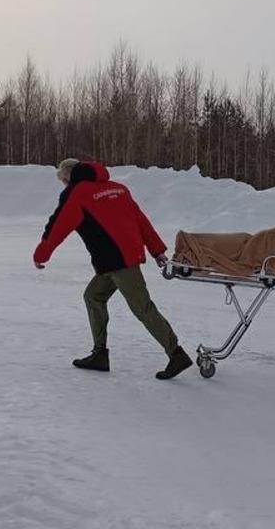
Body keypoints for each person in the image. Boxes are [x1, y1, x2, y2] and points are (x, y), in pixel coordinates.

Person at [33, 158, 192, 380]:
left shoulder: (77, 192)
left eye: (63, 182)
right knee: (93, 296)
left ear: (68, 178)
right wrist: (157, 251)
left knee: (142, 308)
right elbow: (141, 221)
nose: (64, 186)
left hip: (117, 261)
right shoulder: (118, 189)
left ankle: (176, 353)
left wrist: (42, 254)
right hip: (118, 260)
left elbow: (58, 224)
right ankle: (99, 354)